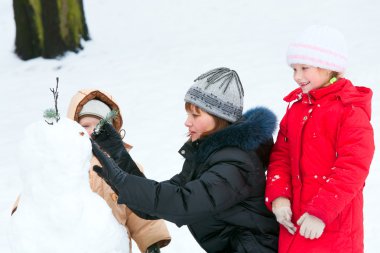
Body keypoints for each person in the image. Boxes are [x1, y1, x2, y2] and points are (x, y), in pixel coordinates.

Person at [91, 67, 279, 253]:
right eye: (188, 114)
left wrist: (124, 182)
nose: (187, 122)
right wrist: (118, 155)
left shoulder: (236, 164)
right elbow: (155, 203)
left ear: (220, 117)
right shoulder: (210, 155)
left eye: (196, 115)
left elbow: (183, 204)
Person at [265, 25, 375, 253]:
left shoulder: (349, 111)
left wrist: (321, 212)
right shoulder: (296, 110)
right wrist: (279, 197)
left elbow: (353, 168)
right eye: (294, 69)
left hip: (334, 228)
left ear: (329, 67)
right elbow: (281, 157)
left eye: (305, 68)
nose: (297, 76)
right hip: (295, 224)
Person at [66, 89, 171, 253]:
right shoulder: (62, 163)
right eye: (86, 125)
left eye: (101, 125)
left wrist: (152, 243)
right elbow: (35, 194)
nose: (93, 131)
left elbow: (141, 206)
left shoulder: (125, 166)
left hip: (114, 246)